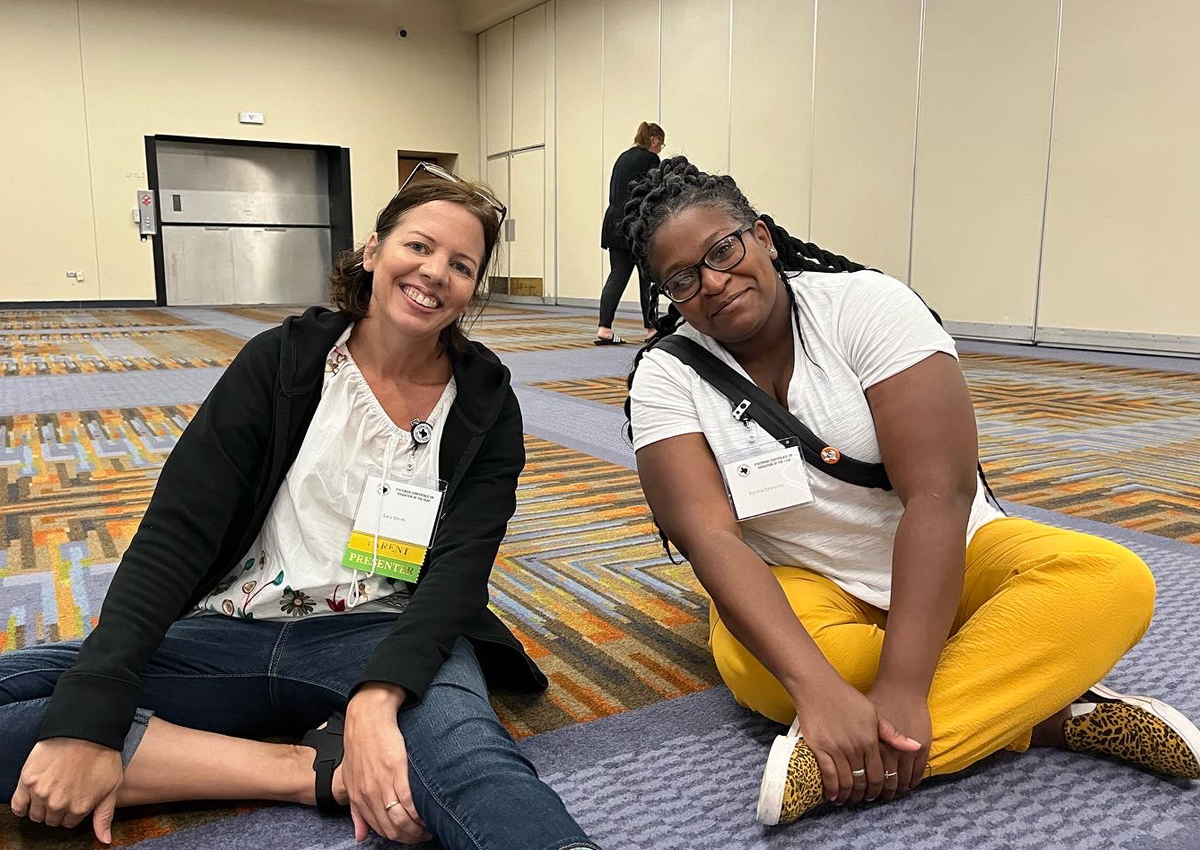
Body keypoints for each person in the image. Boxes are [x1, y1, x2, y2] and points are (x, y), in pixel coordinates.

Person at [1, 164, 600, 850]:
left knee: (469, 762)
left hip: (388, 633)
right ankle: (307, 768)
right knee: (60, 706)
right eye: (419, 246)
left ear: (472, 290)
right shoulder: (280, 364)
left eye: (461, 265)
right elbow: (176, 534)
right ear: (373, 251)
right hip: (228, 629)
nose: (436, 272)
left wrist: (379, 697)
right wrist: (88, 717)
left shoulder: (486, 404)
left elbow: (461, 570)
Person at [623, 156, 1200, 826]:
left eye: (723, 250)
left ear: (762, 236)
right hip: (803, 577)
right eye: (683, 280)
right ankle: (1044, 716)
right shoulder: (665, 376)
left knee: (1112, 582)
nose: (714, 283)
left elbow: (939, 495)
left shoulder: (867, 307)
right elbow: (709, 537)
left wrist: (901, 688)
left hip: (947, 554)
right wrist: (814, 686)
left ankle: (850, 757)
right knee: (755, 666)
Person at [596, 121, 665, 345]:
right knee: (647, 277)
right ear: (654, 139)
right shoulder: (650, 159)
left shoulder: (622, 157)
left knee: (617, 275)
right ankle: (651, 328)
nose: (660, 149)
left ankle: (604, 328)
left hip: (613, 222)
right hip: (635, 224)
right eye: (661, 144)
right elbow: (653, 192)